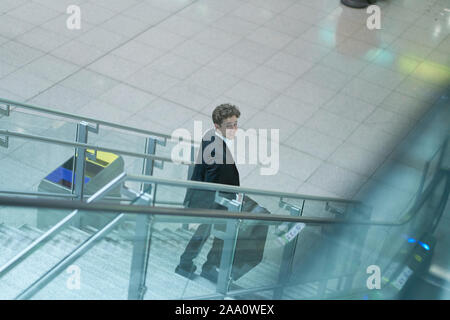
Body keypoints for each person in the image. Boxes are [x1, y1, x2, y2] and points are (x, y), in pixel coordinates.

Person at [175, 104, 241, 283]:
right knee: (215, 233)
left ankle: (189, 263)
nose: (234, 129)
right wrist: (224, 201)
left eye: (235, 124)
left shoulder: (210, 137)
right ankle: (203, 266)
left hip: (216, 198)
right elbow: (212, 180)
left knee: (206, 232)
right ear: (217, 126)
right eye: (230, 125)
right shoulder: (215, 147)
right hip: (215, 201)